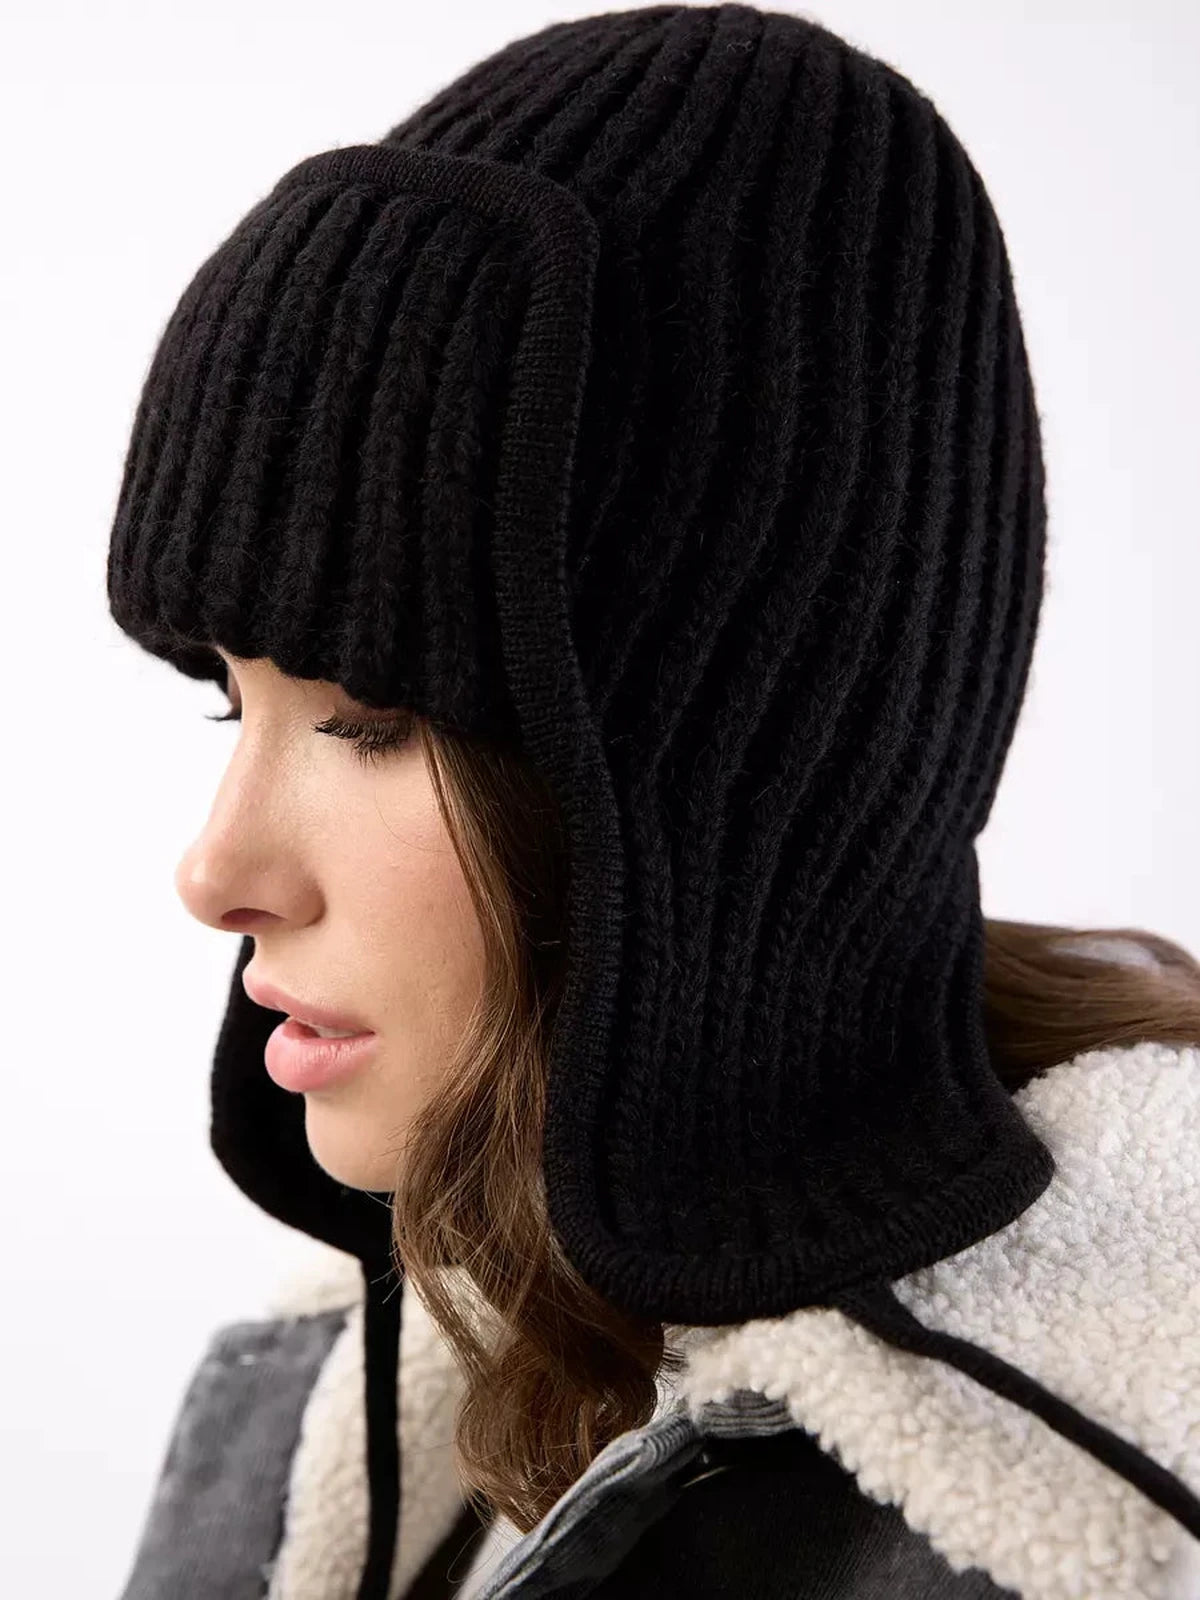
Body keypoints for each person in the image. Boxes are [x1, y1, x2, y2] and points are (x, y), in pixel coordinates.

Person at [105, 6, 1200, 1598]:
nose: (216, 871)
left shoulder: (1099, 1527)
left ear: (742, 767)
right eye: (231, 696)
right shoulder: (327, 1405)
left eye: (371, 722)